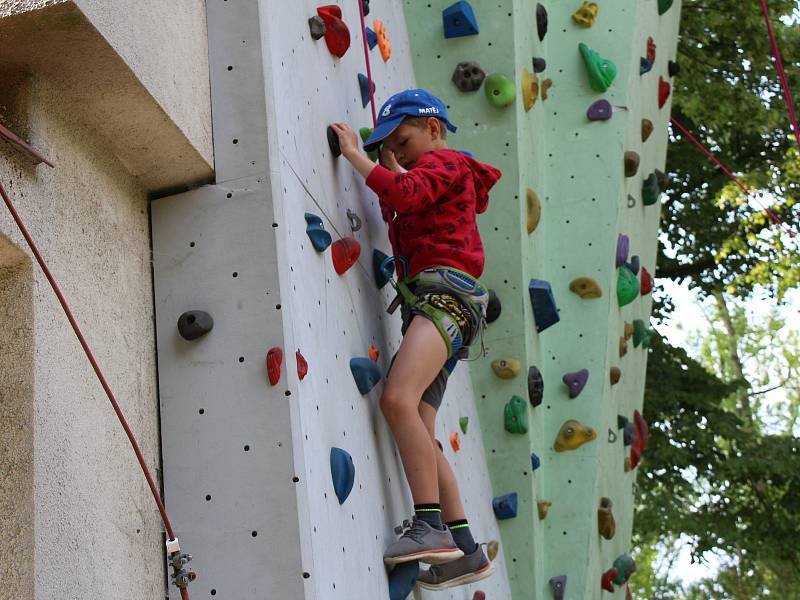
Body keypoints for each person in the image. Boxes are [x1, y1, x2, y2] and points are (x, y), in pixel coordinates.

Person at [330, 88, 501, 590]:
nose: (400, 156)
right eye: (393, 151)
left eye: (404, 142)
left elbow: (403, 194)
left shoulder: (449, 163)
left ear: (434, 128)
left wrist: (358, 157)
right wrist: (387, 164)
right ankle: (467, 550)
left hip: (446, 299)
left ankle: (428, 524)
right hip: (439, 306)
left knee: (397, 399)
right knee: (421, 429)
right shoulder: (430, 177)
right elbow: (402, 203)